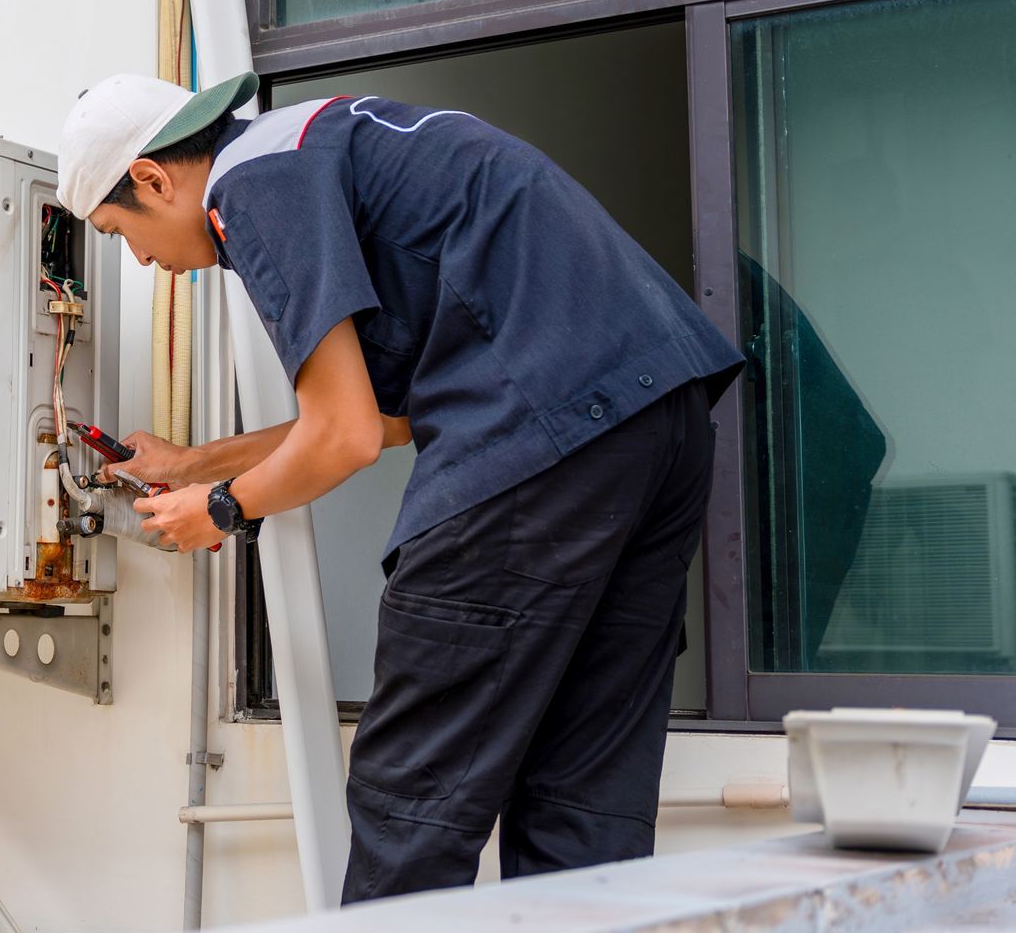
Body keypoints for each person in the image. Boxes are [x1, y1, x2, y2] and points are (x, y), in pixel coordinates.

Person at [56, 72, 744, 899]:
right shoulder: (326, 140)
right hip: (657, 421)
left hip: (538, 444)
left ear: (155, 179)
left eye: (120, 231)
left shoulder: (251, 183)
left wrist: (222, 509)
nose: (144, 262)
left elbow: (341, 438)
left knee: (411, 804)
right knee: (581, 796)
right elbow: (380, 418)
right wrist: (192, 464)